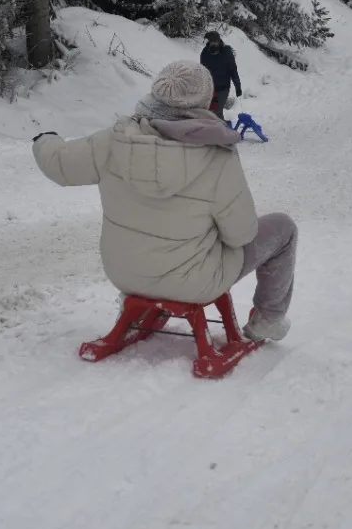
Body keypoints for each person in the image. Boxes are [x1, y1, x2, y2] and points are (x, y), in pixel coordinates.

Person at [31, 60, 296, 341]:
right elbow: (241, 234)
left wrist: (45, 139)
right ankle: (267, 320)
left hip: (124, 273)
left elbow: (58, 163)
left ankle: (144, 301)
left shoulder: (114, 140)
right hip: (195, 284)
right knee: (284, 229)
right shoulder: (217, 156)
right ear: (206, 101)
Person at [199, 31, 242, 120]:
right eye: (211, 42)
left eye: (215, 42)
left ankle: (221, 131)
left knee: (218, 112)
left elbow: (233, 71)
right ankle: (209, 131)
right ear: (209, 42)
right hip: (210, 87)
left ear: (219, 41)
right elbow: (202, 70)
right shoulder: (205, 53)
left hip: (223, 88)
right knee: (208, 112)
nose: (214, 44)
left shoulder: (226, 53)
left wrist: (238, 86)